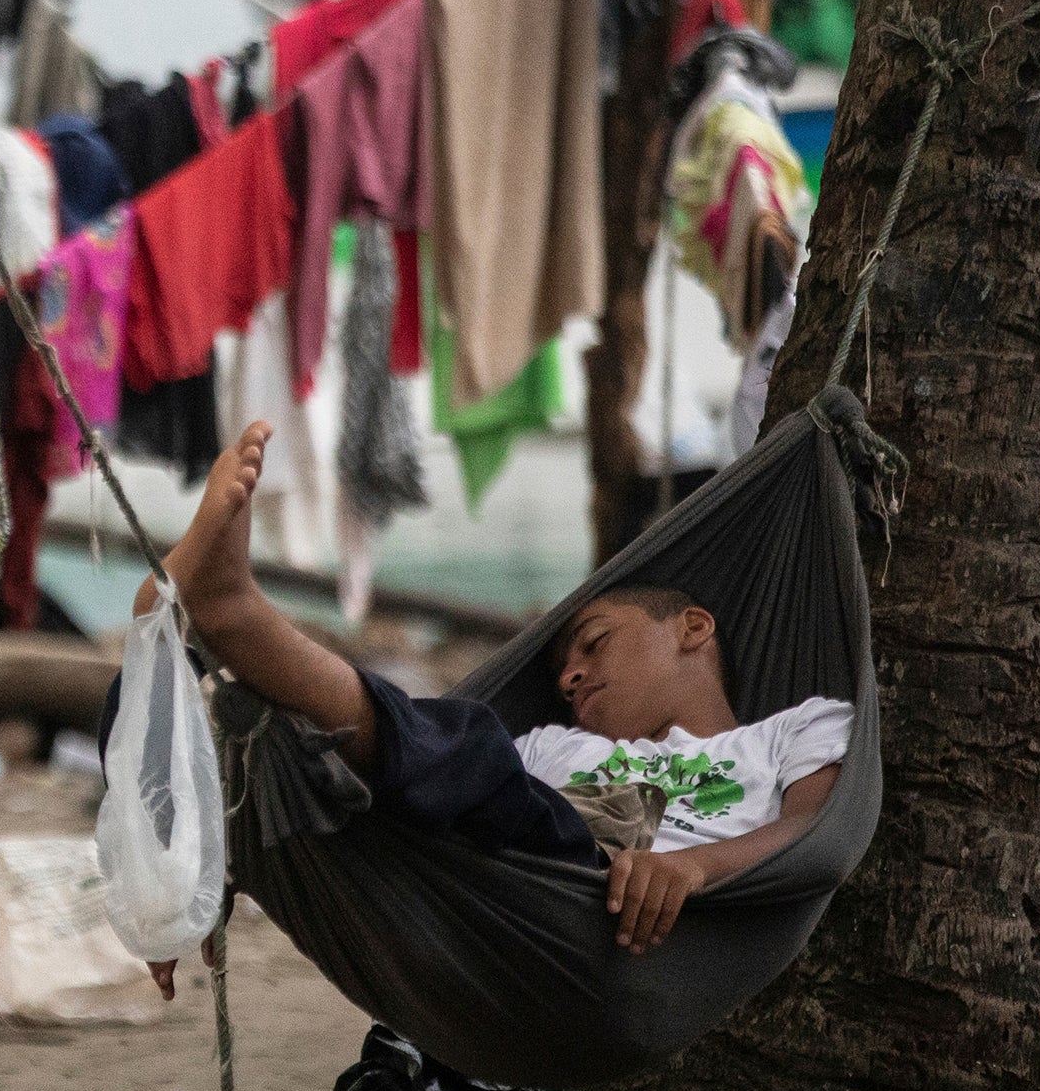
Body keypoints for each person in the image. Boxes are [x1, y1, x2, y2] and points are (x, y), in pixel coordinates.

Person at [135, 420, 847, 995]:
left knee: (471, 748)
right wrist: (224, 865)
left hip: (591, 912)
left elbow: (818, 831)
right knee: (411, 755)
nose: (570, 675)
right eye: (565, 667)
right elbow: (426, 791)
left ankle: (226, 612)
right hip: (501, 889)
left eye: (593, 645)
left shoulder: (792, 731)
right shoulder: (548, 747)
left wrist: (695, 868)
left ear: (693, 628)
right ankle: (202, 648)